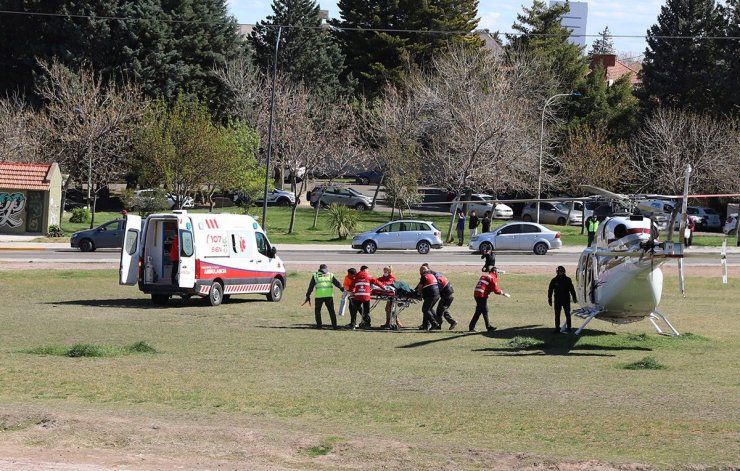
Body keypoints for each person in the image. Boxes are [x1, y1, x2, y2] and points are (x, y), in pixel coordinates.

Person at [469, 267, 509, 332]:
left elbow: (487, 286)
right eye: (497, 272)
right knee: (484, 310)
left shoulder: (484, 276)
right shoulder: (492, 278)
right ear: (494, 272)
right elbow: (496, 290)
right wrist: (503, 293)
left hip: (477, 293)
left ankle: (472, 327)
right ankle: (488, 327)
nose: (497, 274)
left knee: (479, 311)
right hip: (481, 295)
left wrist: (488, 292)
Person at [305, 264, 344, 329]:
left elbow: (311, 286)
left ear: (319, 269)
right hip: (329, 296)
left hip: (319, 296)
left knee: (318, 311)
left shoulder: (316, 275)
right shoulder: (330, 275)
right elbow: (337, 283)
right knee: (331, 311)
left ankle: (319, 326)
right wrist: (343, 290)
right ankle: (334, 326)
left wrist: (308, 295)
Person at [422, 263, 457, 330]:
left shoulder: (435, 277)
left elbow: (436, 288)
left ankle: (451, 322)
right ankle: (440, 325)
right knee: (441, 310)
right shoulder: (437, 274)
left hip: (446, 296)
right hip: (448, 295)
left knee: (440, 311)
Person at [548, 266, 578, 333]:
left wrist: (574, 297)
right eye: (558, 271)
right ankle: (557, 328)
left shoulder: (568, 280)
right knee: (557, 315)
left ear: (564, 271)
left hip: (566, 299)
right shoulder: (554, 280)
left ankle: (569, 328)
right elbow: (550, 290)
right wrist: (549, 299)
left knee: (567, 314)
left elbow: (572, 289)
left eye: (561, 271)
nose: (559, 272)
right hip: (557, 300)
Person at [416, 265, 441, 330]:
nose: (421, 272)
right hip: (437, 294)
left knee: (425, 310)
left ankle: (434, 323)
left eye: (421, 270)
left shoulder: (424, 276)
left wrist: (418, 293)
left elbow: (420, 287)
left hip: (431, 294)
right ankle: (426, 325)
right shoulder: (431, 275)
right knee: (429, 309)